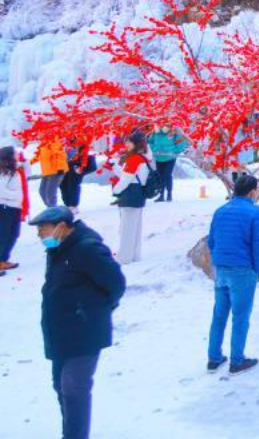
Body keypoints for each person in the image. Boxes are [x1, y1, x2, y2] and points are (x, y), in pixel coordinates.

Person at [30, 206, 126, 439]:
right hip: (60, 331)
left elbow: (116, 283)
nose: (40, 235)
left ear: (62, 227)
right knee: (60, 386)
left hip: (84, 331)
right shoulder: (59, 250)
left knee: (74, 388)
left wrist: (93, 310)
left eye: (43, 228)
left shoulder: (87, 249)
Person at [206, 174, 259, 375]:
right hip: (242, 270)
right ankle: (237, 361)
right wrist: (255, 269)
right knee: (240, 317)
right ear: (252, 192)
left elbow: (211, 240)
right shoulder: (255, 213)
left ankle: (214, 359)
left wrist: (218, 259)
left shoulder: (220, 211)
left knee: (219, 315)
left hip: (221, 269)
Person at [109, 130, 155, 265]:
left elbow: (126, 180)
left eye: (129, 142)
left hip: (131, 195)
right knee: (135, 227)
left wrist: (116, 191)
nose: (126, 144)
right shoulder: (143, 157)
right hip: (138, 194)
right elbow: (128, 175)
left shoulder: (134, 159)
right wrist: (115, 166)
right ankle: (134, 255)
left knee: (127, 228)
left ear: (136, 144)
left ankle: (124, 257)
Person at [0, 146, 27, 273]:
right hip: (5, 207)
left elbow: (29, 171)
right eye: (15, 153)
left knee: (14, 234)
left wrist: (25, 161)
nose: (18, 154)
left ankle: (3, 259)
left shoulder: (15, 170)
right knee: (4, 235)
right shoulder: (3, 172)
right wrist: (16, 196)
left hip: (15, 207)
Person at [148, 128, 188, 202]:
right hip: (159, 157)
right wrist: (154, 149)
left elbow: (183, 141)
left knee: (167, 175)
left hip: (170, 158)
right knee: (160, 176)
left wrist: (174, 151)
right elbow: (149, 142)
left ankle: (169, 194)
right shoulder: (156, 132)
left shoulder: (174, 132)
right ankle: (161, 195)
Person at [59, 138, 95, 213]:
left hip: (78, 164)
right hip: (65, 163)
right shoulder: (64, 137)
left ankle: (73, 205)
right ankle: (67, 204)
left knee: (73, 184)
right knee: (63, 184)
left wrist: (82, 168)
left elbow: (89, 154)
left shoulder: (81, 136)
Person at [35, 137, 68, 208]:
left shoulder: (53, 139)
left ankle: (53, 210)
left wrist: (60, 168)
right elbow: (39, 155)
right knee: (42, 191)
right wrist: (28, 162)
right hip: (47, 171)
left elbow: (60, 154)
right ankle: (52, 208)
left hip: (56, 170)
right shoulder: (43, 142)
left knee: (50, 193)